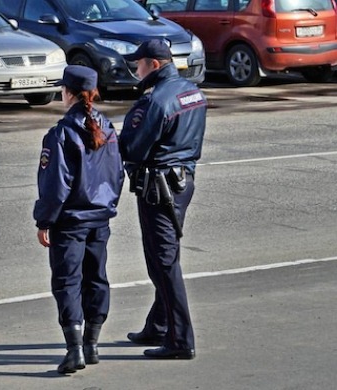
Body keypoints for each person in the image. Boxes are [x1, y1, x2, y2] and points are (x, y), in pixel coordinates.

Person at [119, 39, 207, 359]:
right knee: (166, 258)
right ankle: (157, 325)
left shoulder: (154, 101)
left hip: (158, 187)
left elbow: (132, 148)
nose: (136, 70)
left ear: (154, 65)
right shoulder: (192, 90)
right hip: (184, 182)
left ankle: (180, 340)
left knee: (163, 263)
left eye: (139, 64)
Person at [33, 65, 124, 374]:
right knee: (96, 277)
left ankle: (75, 350)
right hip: (99, 217)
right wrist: (107, 206)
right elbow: (117, 174)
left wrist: (44, 220)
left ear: (68, 93)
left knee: (68, 281)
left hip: (71, 221)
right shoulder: (107, 126)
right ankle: (92, 344)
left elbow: (55, 185)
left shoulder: (61, 133)